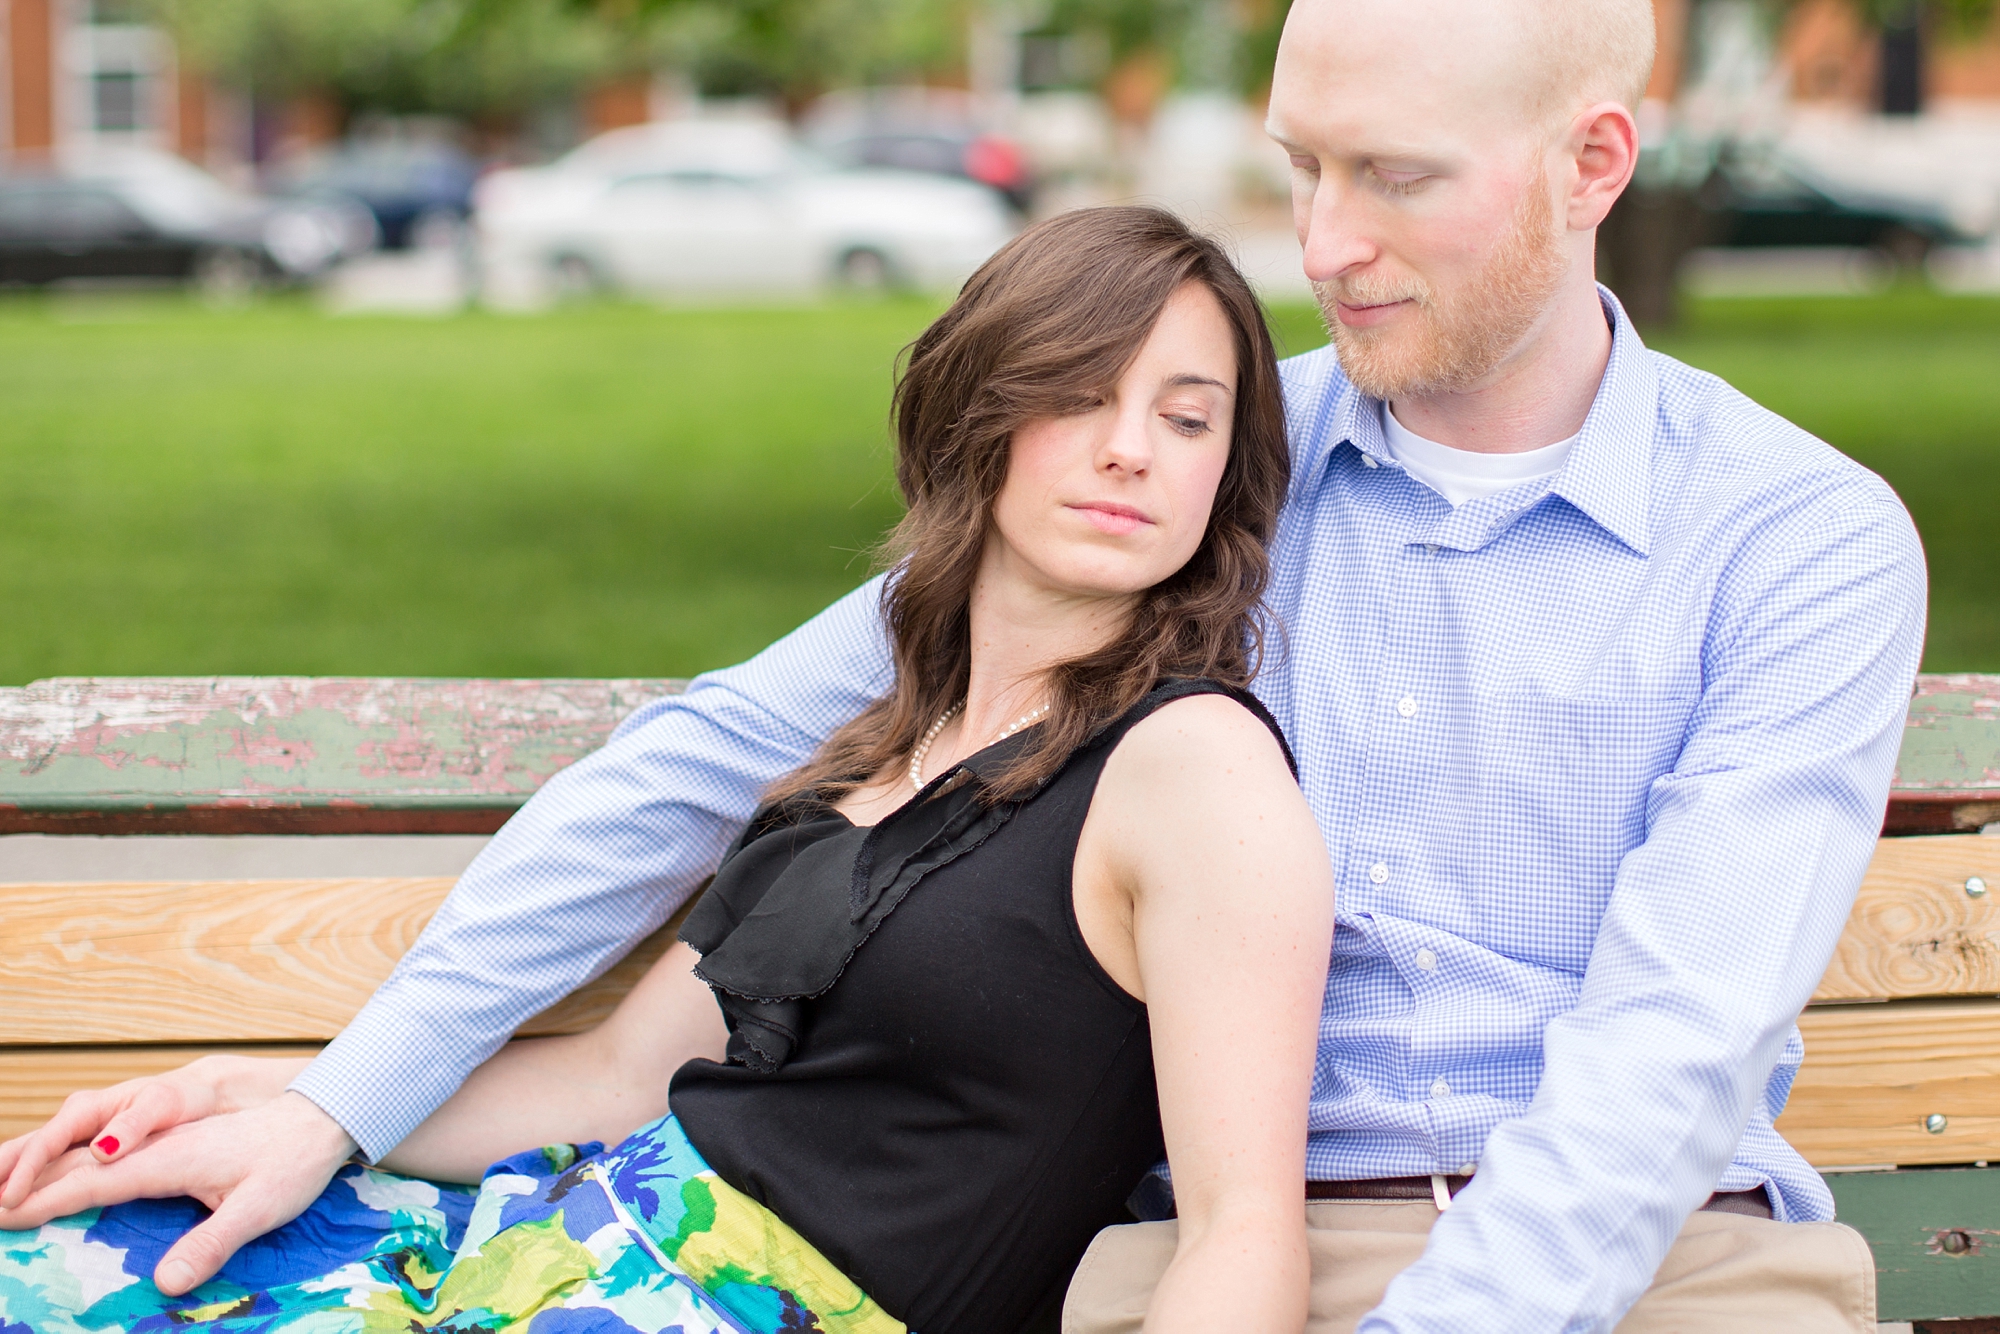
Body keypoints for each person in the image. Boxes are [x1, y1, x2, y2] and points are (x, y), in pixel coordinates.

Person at [1, 0, 1929, 1326]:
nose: (1323, 242)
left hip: (1671, 1258)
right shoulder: (1196, 479)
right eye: (1301, 165)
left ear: (1597, 158)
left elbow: (1666, 1058)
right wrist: (341, 1099)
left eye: (1395, 178)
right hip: (1192, 1258)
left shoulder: (1793, 543)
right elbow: (698, 763)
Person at [0, 208, 1335, 1334]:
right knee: (52, 1270)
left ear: (1228, 473)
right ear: (977, 412)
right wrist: (304, 1102)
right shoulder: (875, 741)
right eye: (1082, 393)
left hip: (740, 1302)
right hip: (560, 1243)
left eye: (1187, 417)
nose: (1131, 449)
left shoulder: (1193, 771)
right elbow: (620, 1079)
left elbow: (1240, 1229)